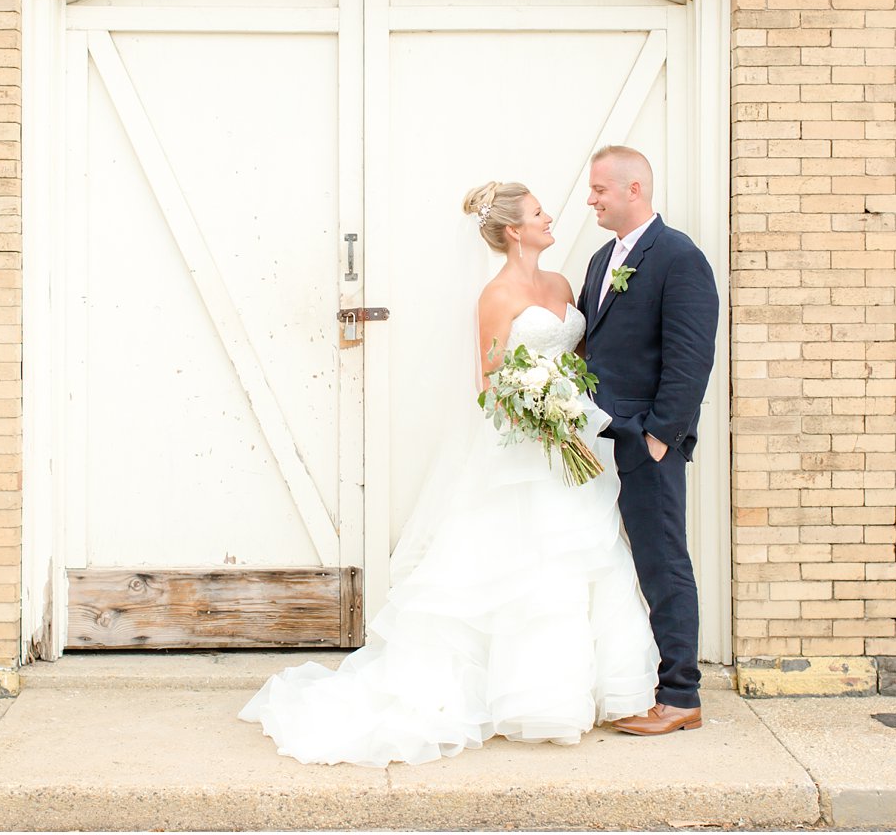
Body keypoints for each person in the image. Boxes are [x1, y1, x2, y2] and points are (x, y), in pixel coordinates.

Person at [239, 181, 656, 767]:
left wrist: (573, 413)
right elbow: (490, 382)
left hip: (573, 439)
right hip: (525, 445)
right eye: (539, 212)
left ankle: (596, 690)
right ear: (515, 230)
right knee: (532, 563)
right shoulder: (495, 295)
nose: (550, 216)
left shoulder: (562, 284)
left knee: (587, 557)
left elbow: (580, 358)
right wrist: (541, 416)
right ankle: (538, 699)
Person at [579, 145, 719, 736]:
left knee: (662, 562)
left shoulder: (679, 256)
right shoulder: (599, 260)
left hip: (645, 441)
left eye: (600, 190)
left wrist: (661, 436)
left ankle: (681, 694)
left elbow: (692, 356)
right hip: (597, 441)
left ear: (634, 189)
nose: (591, 199)